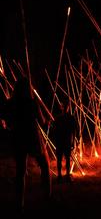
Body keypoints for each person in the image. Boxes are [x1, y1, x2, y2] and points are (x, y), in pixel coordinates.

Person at [1, 76, 52, 212]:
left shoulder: (10, 103)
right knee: (45, 165)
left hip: (18, 138)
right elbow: (41, 121)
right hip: (32, 137)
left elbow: (4, 120)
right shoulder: (31, 102)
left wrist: (9, 127)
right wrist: (47, 122)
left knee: (20, 171)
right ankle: (47, 196)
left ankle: (20, 203)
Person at [52, 102, 78, 182]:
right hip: (62, 140)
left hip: (66, 140)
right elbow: (55, 130)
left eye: (67, 106)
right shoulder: (60, 118)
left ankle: (66, 175)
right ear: (62, 108)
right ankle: (60, 175)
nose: (66, 108)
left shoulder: (70, 117)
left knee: (66, 159)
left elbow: (74, 130)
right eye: (64, 106)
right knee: (60, 159)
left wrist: (74, 141)